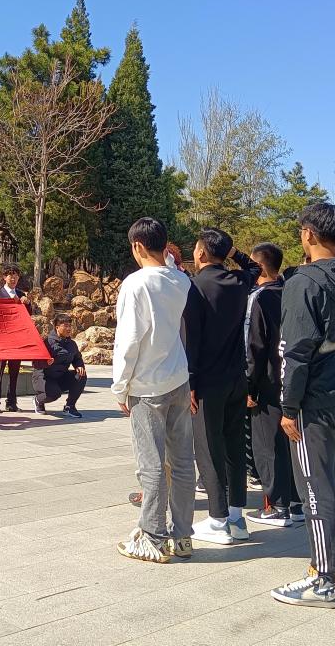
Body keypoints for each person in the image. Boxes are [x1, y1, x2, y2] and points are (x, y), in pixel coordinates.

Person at [270, 203, 335, 609]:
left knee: (316, 489)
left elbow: (295, 352)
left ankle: (323, 579)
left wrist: (288, 406)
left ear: (309, 234)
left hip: (314, 405)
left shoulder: (304, 283)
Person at [114, 217, 196, 564]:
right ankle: (182, 536)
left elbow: (128, 339)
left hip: (147, 385)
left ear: (137, 246)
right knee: (182, 462)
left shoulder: (135, 284)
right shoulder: (180, 280)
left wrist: (120, 386)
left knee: (151, 464)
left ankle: (152, 536)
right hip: (178, 378)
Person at [186, 228, 261, 545]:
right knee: (234, 448)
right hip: (236, 378)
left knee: (208, 447)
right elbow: (255, 267)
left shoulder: (195, 286)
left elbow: (191, 338)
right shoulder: (239, 282)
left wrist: (190, 381)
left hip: (207, 380)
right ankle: (236, 517)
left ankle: (217, 520)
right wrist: (233, 253)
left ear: (202, 253)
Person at [243, 242, 300, 527]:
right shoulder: (291, 291)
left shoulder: (259, 298)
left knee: (267, 445)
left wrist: (248, 387)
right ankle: (297, 503)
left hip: (266, 381)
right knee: (291, 444)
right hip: (291, 378)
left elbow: (254, 346)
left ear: (259, 267)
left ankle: (277, 505)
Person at [0, 265, 32, 413]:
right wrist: (9, 303)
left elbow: (28, 316)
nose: (13, 278)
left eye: (15, 275)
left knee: (14, 372)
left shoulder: (21, 294)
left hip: (17, 338)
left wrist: (27, 303)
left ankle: (11, 402)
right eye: (10, 275)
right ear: (4, 277)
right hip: (2, 339)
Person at [32, 314, 88, 417]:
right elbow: (35, 363)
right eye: (65, 326)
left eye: (70, 326)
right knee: (54, 394)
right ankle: (38, 400)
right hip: (43, 377)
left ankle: (70, 407)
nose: (69, 329)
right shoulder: (47, 343)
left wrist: (79, 366)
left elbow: (77, 358)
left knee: (81, 375)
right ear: (57, 327)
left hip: (60, 376)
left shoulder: (72, 344)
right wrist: (46, 363)